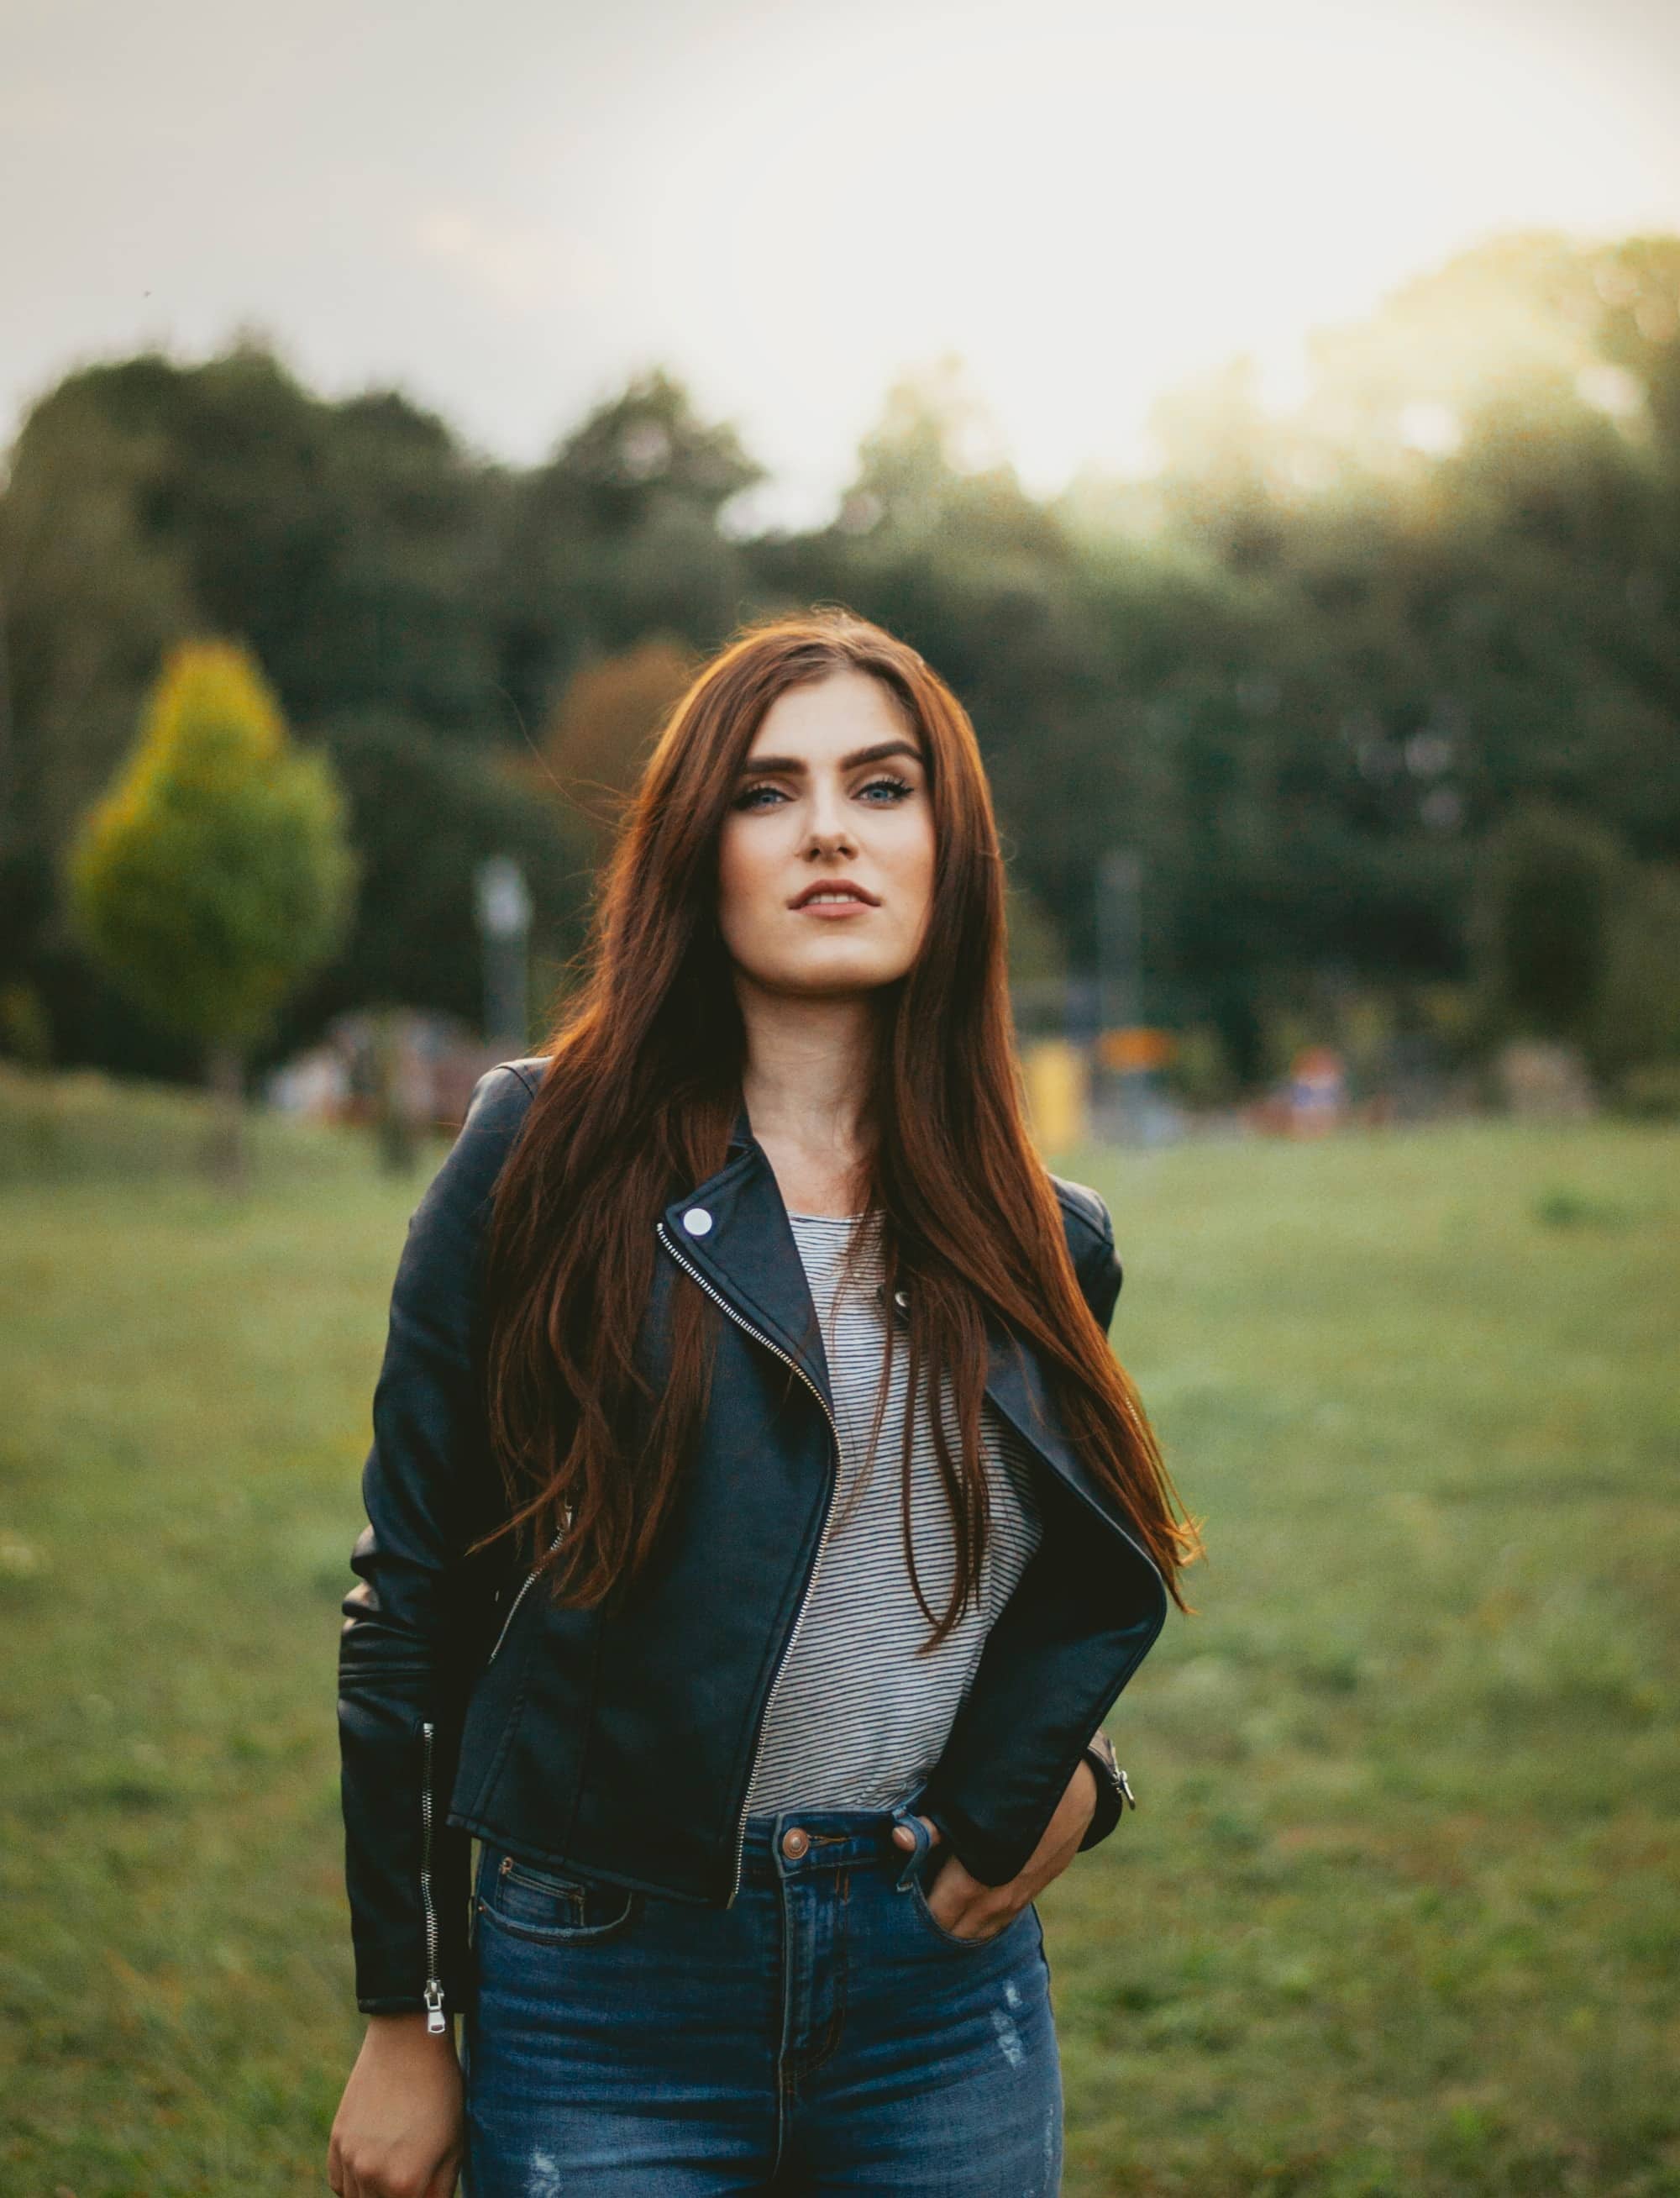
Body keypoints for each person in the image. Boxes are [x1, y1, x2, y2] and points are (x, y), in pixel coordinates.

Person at [327, 609, 1201, 2197]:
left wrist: (1071, 1778)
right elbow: (409, 1605)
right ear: (694, 851)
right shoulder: (535, 1156)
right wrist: (409, 2014)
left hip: (941, 1995)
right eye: (764, 793)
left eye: (882, 788)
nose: (826, 836)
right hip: (603, 1979)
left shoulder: (1049, 1236)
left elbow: (1038, 1582)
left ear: (954, 848)